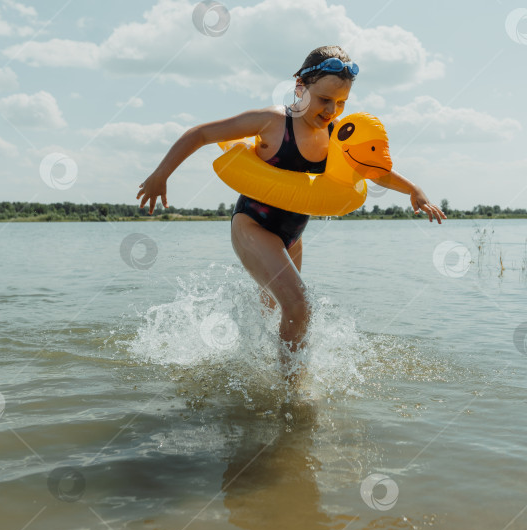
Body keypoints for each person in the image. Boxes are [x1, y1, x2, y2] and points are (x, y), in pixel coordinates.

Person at [137, 45, 446, 383]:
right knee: (300, 307)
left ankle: (253, 372)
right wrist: (160, 174)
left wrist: (414, 190)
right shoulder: (272, 121)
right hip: (253, 224)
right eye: (324, 99)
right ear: (301, 86)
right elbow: (202, 133)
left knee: (275, 312)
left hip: (292, 237)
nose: (332, 110)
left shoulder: (335, 136)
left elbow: (371, 171)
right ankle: (292, 391)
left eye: (341, 103)